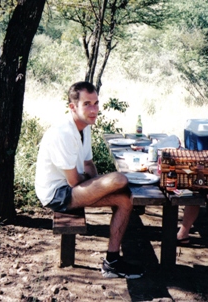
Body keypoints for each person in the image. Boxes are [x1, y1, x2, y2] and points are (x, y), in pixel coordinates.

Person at [35, 81, 144, 279]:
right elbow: (74, 182)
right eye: (87, 104)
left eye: (95, 103)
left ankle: (112, 263)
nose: (93, 109)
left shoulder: (84, 126)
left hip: (74, 187)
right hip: (58, 194)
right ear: (72, 107)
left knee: (124, 198)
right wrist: (103, 184)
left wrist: (98, 183)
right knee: (119, 178)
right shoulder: (63, 133)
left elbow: (88, 164)